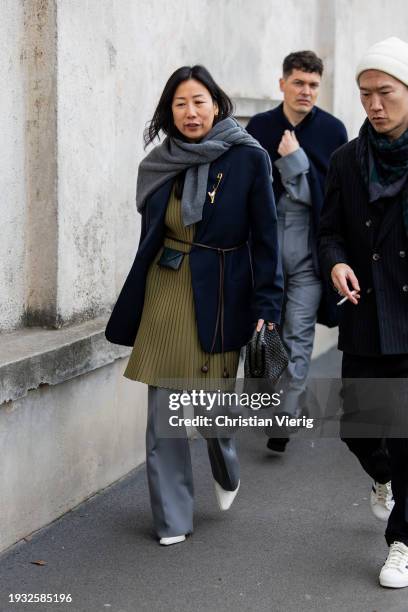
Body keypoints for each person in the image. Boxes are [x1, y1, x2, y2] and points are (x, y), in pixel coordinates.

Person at [105, 65, 283, 545]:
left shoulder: (249, 158)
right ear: (170, 110)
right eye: (180, 103)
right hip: (165, 288)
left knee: (206, 410)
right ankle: (173, 519)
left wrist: (269, 302)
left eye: (199, 101)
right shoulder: (161, 161)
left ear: (217, 104)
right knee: (165, 406)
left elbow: (267, 237)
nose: (190, 111)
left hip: (223, 292)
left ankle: (225, 461)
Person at [318, 37, 408, 588]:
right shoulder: (347, 160)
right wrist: (336, 265)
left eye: (385, 93)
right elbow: (328, 230)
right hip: (364, 316)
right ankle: (384, 478)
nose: (374, 104)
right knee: (357, 429)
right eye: (365, 94)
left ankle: (401, 541)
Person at [246, 51, 347, 453]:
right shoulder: (261, 127)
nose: (307, 91)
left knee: (299, 336)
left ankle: (285, 419)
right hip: (266, 255)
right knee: (266, 337)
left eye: (313, 85)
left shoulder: (333, 131)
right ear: (282, 83)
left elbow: (326, 200)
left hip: (308, 255)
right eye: (299, 83)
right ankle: (272, 405)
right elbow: (252, 193)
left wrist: (295, 162)